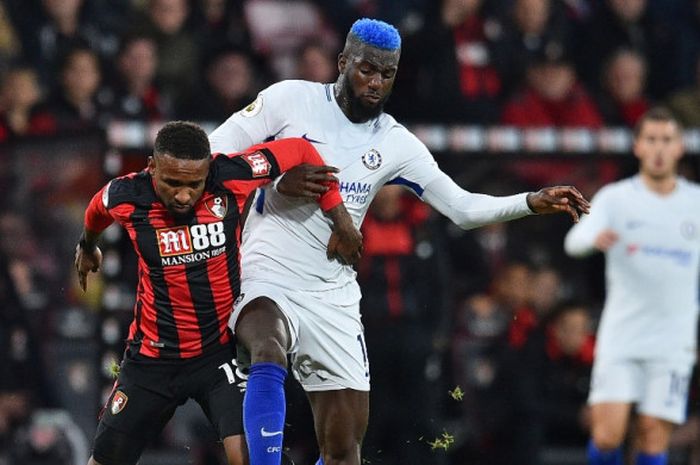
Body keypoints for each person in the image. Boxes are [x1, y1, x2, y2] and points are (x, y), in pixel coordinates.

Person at [208, 18, 591, 465]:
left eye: (386, 75)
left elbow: (463, 208)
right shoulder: (289, 99)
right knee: (267, 345)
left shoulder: (394, 142)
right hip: (266, 272)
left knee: (343, 452)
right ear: (343, 61)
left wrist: (529, 200)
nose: (375, 83)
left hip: (332, 294)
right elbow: (215, 153)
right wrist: (274, 177)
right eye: (367, 70)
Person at [74, 121, 362, 465]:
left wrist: (339, 216)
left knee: (252, 459)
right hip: (151, 359)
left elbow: (300, 150)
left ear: (208, 169)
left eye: (193, 184)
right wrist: (87, 245)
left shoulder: (231, 174)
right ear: (151, 167)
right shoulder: (126, 195)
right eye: (172, 183)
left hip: (219, 353)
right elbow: (96, 209)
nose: (183, 195)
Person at [565, 107, 700, 465]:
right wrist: (593, 239)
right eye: (651, 140)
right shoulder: (616, 198)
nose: (658, 148)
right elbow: (574, 241)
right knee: (607, 436)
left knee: (653, 436)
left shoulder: (695, 203)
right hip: (623, 337)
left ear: (679, 148)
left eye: (666, 140)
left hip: (674, 341)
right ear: (638, 146)